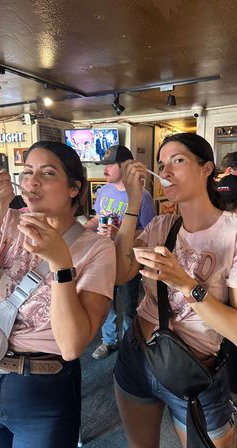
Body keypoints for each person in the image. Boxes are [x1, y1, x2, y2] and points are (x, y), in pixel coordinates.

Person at [0, 141, 116, 448]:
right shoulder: (6, 222)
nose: (31, 181)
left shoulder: (97, 248)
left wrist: (60, 262)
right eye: (27, 172)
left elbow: (71, 345)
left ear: (74, 189)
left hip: (44, 389)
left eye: (47, 173)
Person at [113, 133, 237, 448]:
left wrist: (186, 284)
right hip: (136, 357)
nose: (166, 171)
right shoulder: (162, 226)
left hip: (194, 373)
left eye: (178, 160)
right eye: (161, 165)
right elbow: (120, 273)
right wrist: (133, 205)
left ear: (206, 168)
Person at [86, 144, 156, 359]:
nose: (104, 170)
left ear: (125, 167)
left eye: (109, 165)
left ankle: (129, 345)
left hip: (127, 260)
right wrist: (77, 230)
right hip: (102, 257)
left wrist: (121, 233)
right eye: (104, 165)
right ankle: (109, 341)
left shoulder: (142, 197)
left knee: (128, 307)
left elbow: (150, 232)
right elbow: (98, 218)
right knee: (104, 304)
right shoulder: (104, 190)